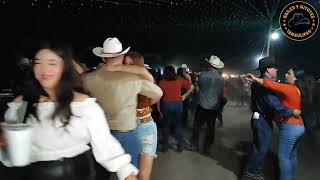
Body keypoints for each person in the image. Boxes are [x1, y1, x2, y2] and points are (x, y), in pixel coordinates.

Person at [0, 41, 138, 180]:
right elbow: (12, 150)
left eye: (52, 63)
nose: (44, 69)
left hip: (78, 174)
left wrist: (126, 174)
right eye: (38, 62)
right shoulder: (22, 104)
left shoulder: (83, 105)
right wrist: (5, 141)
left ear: (65, 67)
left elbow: (106, 145)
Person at [82, 37, 162, 169]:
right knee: (129, 171)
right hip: (126, 132)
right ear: (123, 57)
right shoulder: (132, 78)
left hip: (101, 133)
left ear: (103, 58)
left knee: (102, 172)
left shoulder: (89, 79)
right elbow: (157, 93)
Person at [242, 56, 301, 180]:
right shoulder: (265, 84)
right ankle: (252, 173)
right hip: (262, 119)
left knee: (259, 147)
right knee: (261, 149)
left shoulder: (261, 82)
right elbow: (273, 103)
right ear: (268, 70)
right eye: (275, 68)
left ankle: (254, 171)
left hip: (260, 118)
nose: (277, 70)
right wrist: (291, 111)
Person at [104, 51, 158, 180]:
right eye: (125, 62)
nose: (126, 65)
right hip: (127, 129)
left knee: (144, 176)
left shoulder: (146, 78)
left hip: (145, 127)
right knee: (128, 173)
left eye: (129, 63)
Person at [191, 55, 225, 154]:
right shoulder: (221, 79)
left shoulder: (203, 75)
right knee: (210, 128)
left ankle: (195, 145)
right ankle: (207, 148)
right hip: (214, 107)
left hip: (201, 105)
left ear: (209, 65)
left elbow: (198, 88)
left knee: (197, 126)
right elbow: (220, 93)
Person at [158, 65, 194, 153]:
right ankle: (180, 146)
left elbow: (158, 96)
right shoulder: (179, 80)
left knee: (166, 126)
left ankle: (165, 147)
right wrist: (185, 95)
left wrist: (158, 109)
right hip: (178, 105)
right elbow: (192, 86)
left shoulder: (161, 82)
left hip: (166, 105)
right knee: (178, 126)